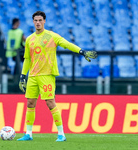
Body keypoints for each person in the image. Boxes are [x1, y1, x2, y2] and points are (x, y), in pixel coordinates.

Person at [18, 11, 97, 142]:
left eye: (40, 20)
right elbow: (27, 59)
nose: (37, 22)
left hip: (47, 75)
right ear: (33, 22)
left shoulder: (51, 36)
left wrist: (81, 51)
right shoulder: (29, 39)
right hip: (32, 76)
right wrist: (22, 76)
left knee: (50, 103)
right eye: (35, 20)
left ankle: (61, 134)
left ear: (44, 21)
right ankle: (28, 134)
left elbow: (66, 44)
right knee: (30, 103)